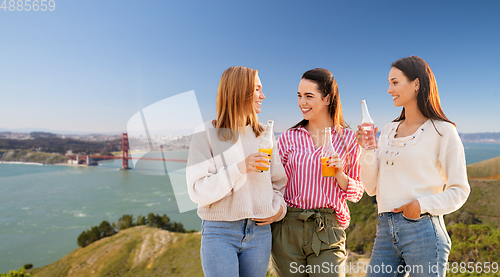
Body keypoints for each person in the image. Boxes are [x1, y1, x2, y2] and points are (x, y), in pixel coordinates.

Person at [356, 56, 470, 277]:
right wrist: (366, 149)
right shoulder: (389, 130)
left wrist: (420, 205)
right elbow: (371, 187)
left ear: (416, 84)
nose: (389, 89)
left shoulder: (443, 131)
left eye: (395, 82)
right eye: (389, 83)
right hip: (385, 230)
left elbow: (460, 190)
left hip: (423, 230)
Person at [186, 66, 287, 277]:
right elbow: (197, 191)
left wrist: (278, 210)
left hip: (260, 233)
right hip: (219, 232)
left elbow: (279, 183)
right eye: (257, 89)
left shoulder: (264, 135)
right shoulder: (205, 134)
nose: (263, 95)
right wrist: (240, 167)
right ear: (239, 91)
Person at [272, 68, 364, 277]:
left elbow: (357, 193)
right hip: (287, 229)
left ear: (327, 99)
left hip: (328, 230)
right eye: (299, 96)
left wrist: (340, 174)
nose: (302, 102)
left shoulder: (349, 141)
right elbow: (275, 184)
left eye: (309, 96)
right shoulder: (288, 138)